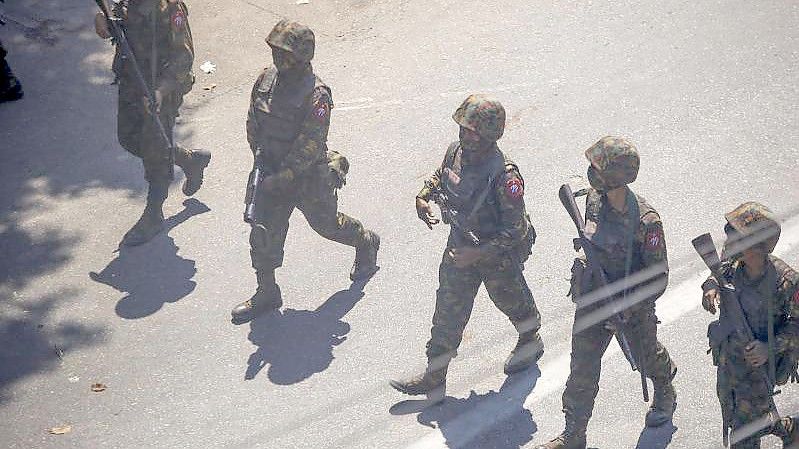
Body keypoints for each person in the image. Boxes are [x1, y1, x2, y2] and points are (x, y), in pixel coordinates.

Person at [390, 94, 542, 401]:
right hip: (461, 244)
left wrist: (480, 253)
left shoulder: (504, 174)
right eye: (463, 127)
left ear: (489, 135)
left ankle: (530, 337)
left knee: (511, 300)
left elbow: (516, 230)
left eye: (472, 130)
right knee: (448, 309)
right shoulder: (456, 152)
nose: (464, 134)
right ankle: (435, 376)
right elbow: (440, 176)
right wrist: (424, 196)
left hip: (496, 254)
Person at [230, 19, 380, 325]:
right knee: (262, 233)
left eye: (284, 53)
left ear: (301, 57)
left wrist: (284, 176)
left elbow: (311, 144)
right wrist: (262, 162)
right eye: (274, 51)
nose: (276, 58)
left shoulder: (317, 94)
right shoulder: (265, 80)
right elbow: (253, 122)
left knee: (327, 226)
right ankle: (267, 291)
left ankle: (365, 241)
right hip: (270, 171)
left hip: (307, 176)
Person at [537, 136, 676, 449]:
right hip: (594, 297)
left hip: (631, 307)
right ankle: (574, 435)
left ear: (615, 176)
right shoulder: (593, 200)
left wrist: (629, 305)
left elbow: (658, 277)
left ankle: (665, 388)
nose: (590, 172)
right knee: (582, 368)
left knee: (645, 358)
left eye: (596, 168)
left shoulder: (645, 221)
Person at [94, 0, 210, 246]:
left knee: (155, 150)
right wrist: (104, 24)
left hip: (161, 88)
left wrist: (160, 91)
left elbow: (184, 58)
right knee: (128, 138)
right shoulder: (126, 3)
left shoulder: (170, 8)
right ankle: (188, 159)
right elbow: (120, 30)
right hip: (131, 81)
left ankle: (154, 213)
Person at [702, 202, 799, 448]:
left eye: (736, 235)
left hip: (760, 369)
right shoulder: (733, 263)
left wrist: (769, 347)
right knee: (735, 413)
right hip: (729, 362)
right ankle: (790, 428)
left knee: (743, 433)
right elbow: (718, 273)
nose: (728, 239)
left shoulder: (785, 281)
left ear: (757, 245)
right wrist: (711, 286)